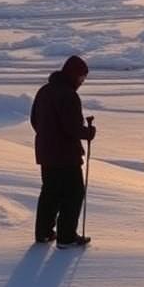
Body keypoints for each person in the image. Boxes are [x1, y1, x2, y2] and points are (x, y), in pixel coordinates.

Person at [30, 55, 96, 248]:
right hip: (66, 155)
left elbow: (34, 119)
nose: (82, 82)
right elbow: (72, 127)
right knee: (73, 194)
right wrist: (88, 132)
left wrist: (46, 136)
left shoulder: (45, 91)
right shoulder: (68, 95)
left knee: (50, 192)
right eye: (82, 78)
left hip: (45, 152)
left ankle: (43, 232)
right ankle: (66, 236)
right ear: (74, 75)